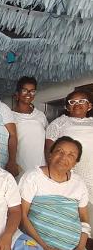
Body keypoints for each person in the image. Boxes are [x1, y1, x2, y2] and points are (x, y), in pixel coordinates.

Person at [20, 136, 93, 250]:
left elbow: (84, 218)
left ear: (76, 162)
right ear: (50, 154)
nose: (64, 157)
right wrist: (46, 249)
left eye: (71, 155)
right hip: (41, 248)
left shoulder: (79, 183)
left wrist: (81, 248)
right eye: (59, 151)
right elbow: (22, 217)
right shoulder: (33, 177)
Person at [45, 90, 93, 223]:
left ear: (89, 106)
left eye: (82, 101)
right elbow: (49, 149)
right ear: (67, 107)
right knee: (71, 213)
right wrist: (52, 174)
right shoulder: (59, 123)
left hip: (91, 172)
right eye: (73, 102)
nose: (77, 104)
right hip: (69, 174)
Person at [12, 76, 48, 179]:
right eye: (24, 90)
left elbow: (47, 141)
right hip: (20, 165)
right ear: (17, 94)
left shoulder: (40, 115)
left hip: (41, 165)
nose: (28, 94)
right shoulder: (10, 115)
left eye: (32, 91)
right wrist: (12, 162)